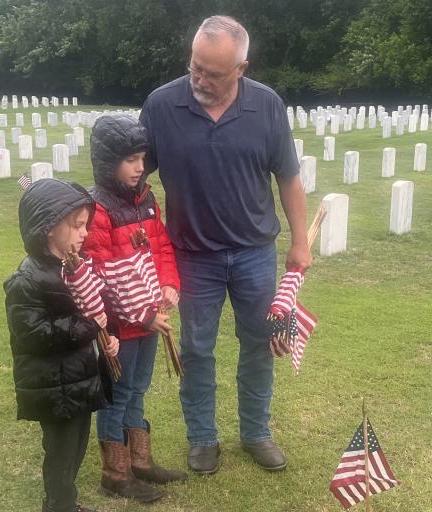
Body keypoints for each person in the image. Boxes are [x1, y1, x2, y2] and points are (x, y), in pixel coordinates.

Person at [138, 15, 312, 475]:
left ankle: (255, 432)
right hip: (192, 255)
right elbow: (136, 176)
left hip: (255, 252)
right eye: (195, 66)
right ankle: (202, 438)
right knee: (196, 348)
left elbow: (289, 178)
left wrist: (300, 243)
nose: (199, 79)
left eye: (213, 73)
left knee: (259, 343)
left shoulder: (267, 106)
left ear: (242, 68)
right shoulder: (161, 105)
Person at [82, 115, 186, 503]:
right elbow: (100, 274)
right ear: (108, 162)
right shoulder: (98, 209)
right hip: (120, 327)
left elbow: (160, 249)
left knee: (138, 388)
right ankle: (115, 471)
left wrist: (169, 285)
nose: (139, 167)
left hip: (149, 320)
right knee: (118, 393)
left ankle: (139, 461)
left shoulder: (147, 199)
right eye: (129, 160)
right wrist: (140, 313)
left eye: (141, 158)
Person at [4, 178, 120, 512]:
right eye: (77, 225)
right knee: (61, 452)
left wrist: (107, 338)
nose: (85, 233)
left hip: (79, 380)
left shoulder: (77, 269)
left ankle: (64, 502)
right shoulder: (27, 280)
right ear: (48, 227)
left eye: (85, 225)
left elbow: (97, 309)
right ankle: (59, 506)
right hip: (54, 386)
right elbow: (34, 333)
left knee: (76, 449)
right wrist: (88, 326)